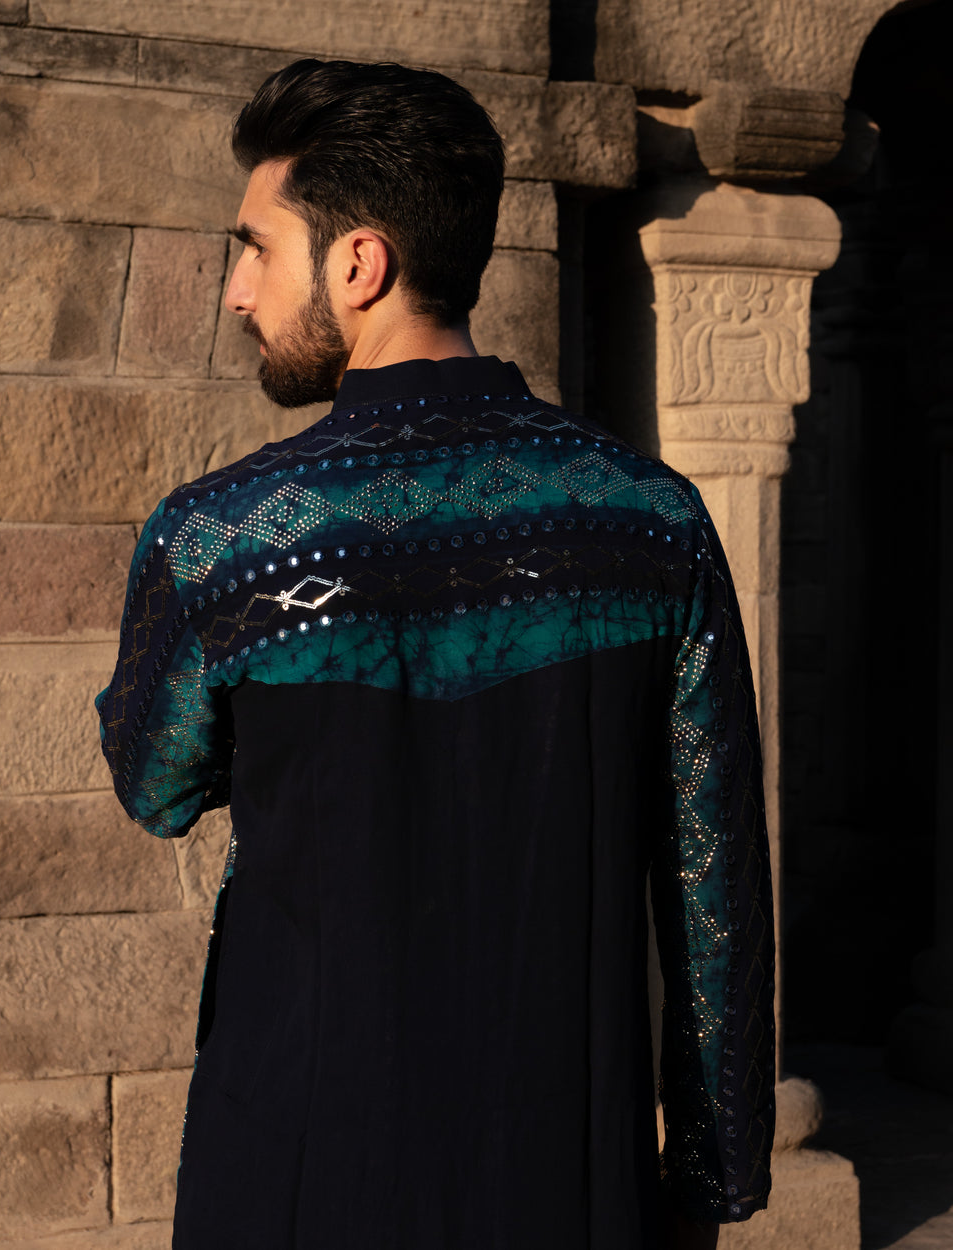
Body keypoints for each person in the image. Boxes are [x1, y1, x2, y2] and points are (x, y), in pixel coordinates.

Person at [96, 58, 774, 1250]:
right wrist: (712, 1176)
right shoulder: (650, 522)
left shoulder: (224, 540)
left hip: (298, 1175)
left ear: (358, 263)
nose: (237, 292)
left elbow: (157, 783)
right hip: (566, 1174)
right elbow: (711, 882)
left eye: (255, 247)